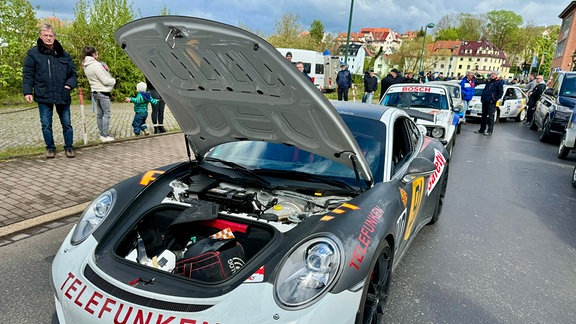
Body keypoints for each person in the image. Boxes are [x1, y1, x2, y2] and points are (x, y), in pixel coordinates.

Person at [22, 24, 78, 158]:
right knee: (46, 124)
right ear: (40, 37)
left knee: (67, 123)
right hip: (43, 94)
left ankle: (69, 147)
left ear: (54, 37)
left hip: (62, 94)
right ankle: (50, 148)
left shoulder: (64, 54)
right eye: (45, 35)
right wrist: (27, 91)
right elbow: (28, 74)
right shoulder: (33, 54)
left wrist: (68, 87)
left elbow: (73, 74)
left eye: (51, 35)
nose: (48, 38)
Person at [82, 46, 116, 142]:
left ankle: (102, 134)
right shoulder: (96, 65)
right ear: (93, 54)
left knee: (100, 114)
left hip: (95, 91)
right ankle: (105, 135)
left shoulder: (86, 65)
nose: (98, 54)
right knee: (106, 113)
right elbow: (105, 80)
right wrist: (113, 80)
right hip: (103, 91)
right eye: (96, 53)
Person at [475, 71, 503, 136]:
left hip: (491, 102)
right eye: (492, 74)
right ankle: (482, 129)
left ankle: (490, 130)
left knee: (491, 117)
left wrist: (494, 99)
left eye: (494, 74)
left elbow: (500, 93)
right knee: (483, 116)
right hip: (485, 100)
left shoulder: (499, 82)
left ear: (496, 75)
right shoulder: (489, 81)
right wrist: (482, 98)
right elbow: (485, 90)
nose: (492, 75)